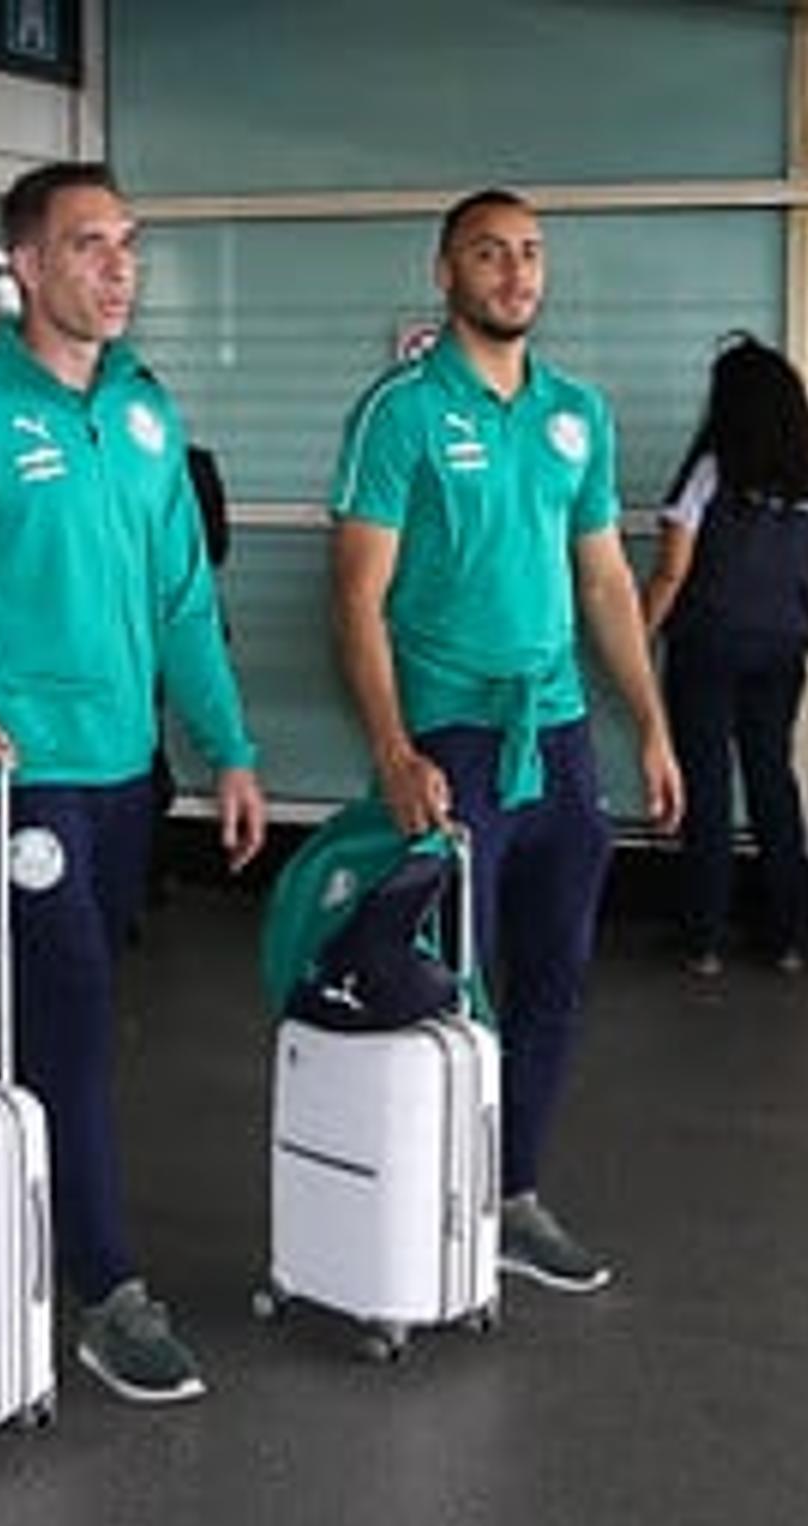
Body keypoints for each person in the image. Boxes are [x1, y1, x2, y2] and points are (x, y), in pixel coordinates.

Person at [0, 160, 267, 1407]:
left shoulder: (142, 415)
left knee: (54, 1014)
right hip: (11, 783)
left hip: (126, 773)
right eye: (88, 245)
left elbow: (182, 597)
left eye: (128, 242)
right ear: (23, 265)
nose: (119, 267)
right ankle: (106, 1290)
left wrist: (227, 747)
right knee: (67, 1009)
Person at [329, 189, 682, 1294]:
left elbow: (606, 580)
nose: (517, 272)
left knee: (560, 972)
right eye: (490, 254)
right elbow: (356, 597)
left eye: (530, 254)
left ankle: (512, 1194)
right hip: (453, 727)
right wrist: (393, 749)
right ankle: (433, 1195)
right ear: (445, 271)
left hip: (559, 728)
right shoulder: (400, 413)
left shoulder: (576, 412)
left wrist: (654, 729)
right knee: (453, 978)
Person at [641, 335, 808, 976]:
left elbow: (672, 570)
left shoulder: (714, 468)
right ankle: (786, 936)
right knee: (773, 777)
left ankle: (704, 937)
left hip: (709, 640)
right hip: (784, 642)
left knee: (708, 782)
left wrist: (634, 635)